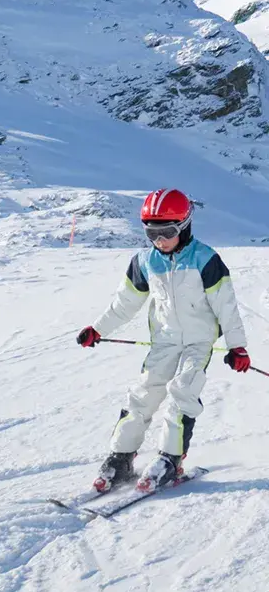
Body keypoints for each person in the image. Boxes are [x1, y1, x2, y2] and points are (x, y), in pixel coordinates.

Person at [77, 188, 250, 494]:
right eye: (151, 233)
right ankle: (121, 458)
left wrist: (237, 346)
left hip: (198, 344)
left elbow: (226, 305)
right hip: (164, 342)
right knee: (142, 395)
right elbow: (124, 303)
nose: (159, 241)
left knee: (182, 392)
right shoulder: (145, 261)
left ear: (184, 227)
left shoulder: (205, 259)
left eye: (167, 232)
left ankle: (170, 459)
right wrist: (98, 329)